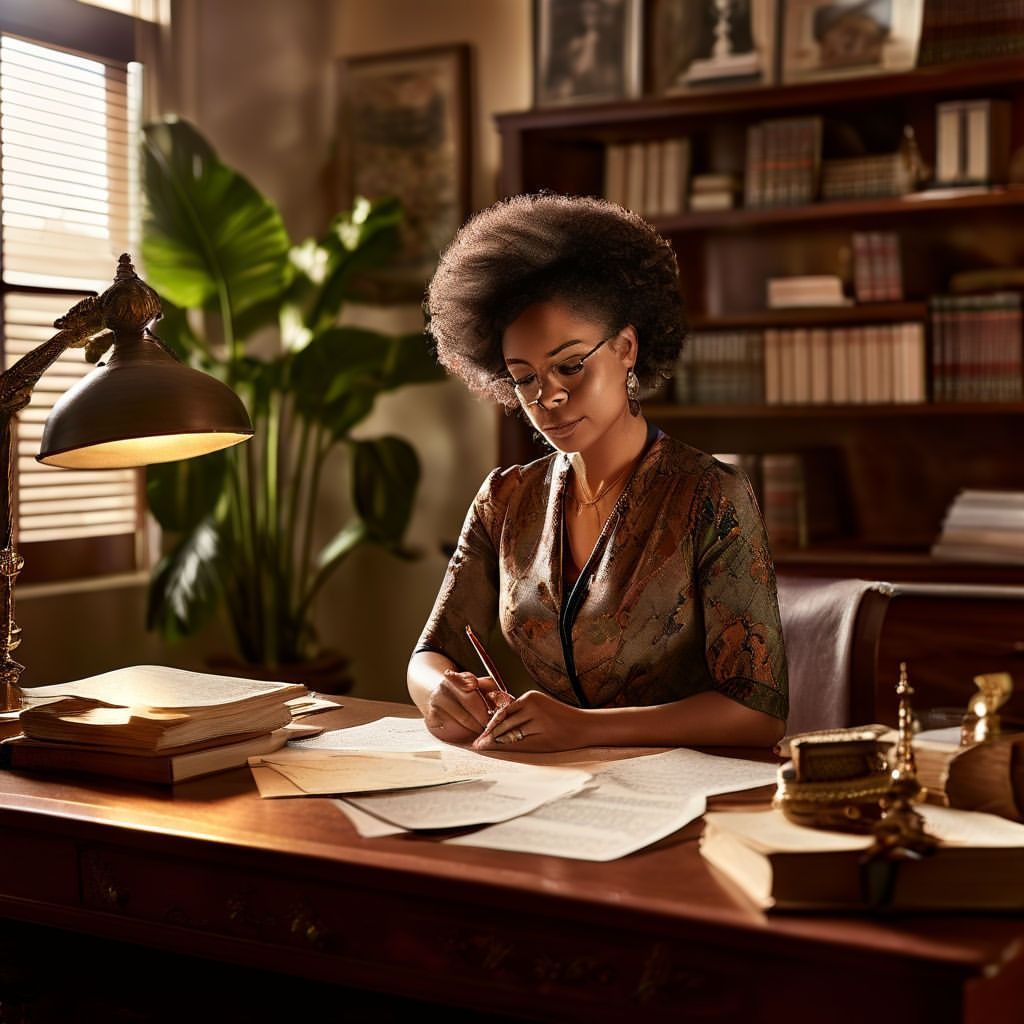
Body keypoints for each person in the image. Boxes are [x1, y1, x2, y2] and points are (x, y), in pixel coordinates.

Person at [408, 193, 788, 753]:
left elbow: (759, 715)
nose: (549, 396)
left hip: (686, 790)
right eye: (524, 378)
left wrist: (580, 729)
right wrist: (442, 688)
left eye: (570, 365)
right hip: (550, 786)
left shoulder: (709, 495)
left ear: (627, 348)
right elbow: (430, 653)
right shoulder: (507, 499)